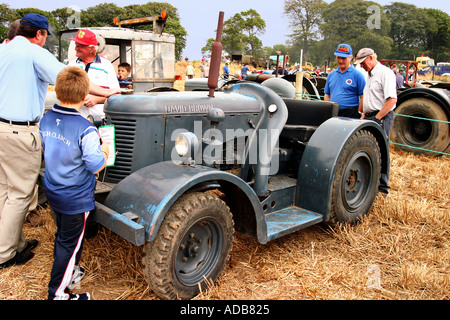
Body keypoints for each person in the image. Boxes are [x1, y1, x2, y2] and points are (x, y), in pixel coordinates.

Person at [0, 14, 119, 271]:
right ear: (40, 34)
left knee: (4, 190)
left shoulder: (4, 48)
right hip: (20, 130)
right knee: (20, 194)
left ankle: (13, 242)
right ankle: (6, 253)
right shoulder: (33, 51)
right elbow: (70, 79)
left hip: (1, 128)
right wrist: (108, 92)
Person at [40, 66, 109, 300]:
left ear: (58, 92)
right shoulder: (86, 129)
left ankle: (71, 273)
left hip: (53, 188)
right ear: (84, 96)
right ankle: (58, 294)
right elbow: (95, 165)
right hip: (75, 197)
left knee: (64, 236)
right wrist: (106, 151)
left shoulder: (46, 118)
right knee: (67, 245)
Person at [355, 47, 398, 194]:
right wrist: (364, 114)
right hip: (370, 115)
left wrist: (378, 118)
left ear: (372, 58)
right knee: (370, 149)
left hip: (382, 117)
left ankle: (383, 188)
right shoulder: (370, 75)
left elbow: (392, 100)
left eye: (363, 62)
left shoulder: (385, 73)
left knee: (381, 150)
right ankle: (371, 184)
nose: (361, 66)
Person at [68, 29, 120, 120]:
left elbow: (116, 94)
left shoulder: (106, 65)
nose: (76, 48)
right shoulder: (71, 66)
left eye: (80, 46)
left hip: (100, 119)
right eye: (76, 45)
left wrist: (97, 99)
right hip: (76, 119)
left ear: (91, 49)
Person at [324, 44, 366, 119]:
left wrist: (359, 112)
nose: (340, 61)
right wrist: (328, 110)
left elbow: (363, 96)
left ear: (351, 57)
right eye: (338, 58)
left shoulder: (357, 75)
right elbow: (327, 95)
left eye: (344, 58)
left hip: (350, 114)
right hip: (334, 113)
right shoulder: (331, 75)